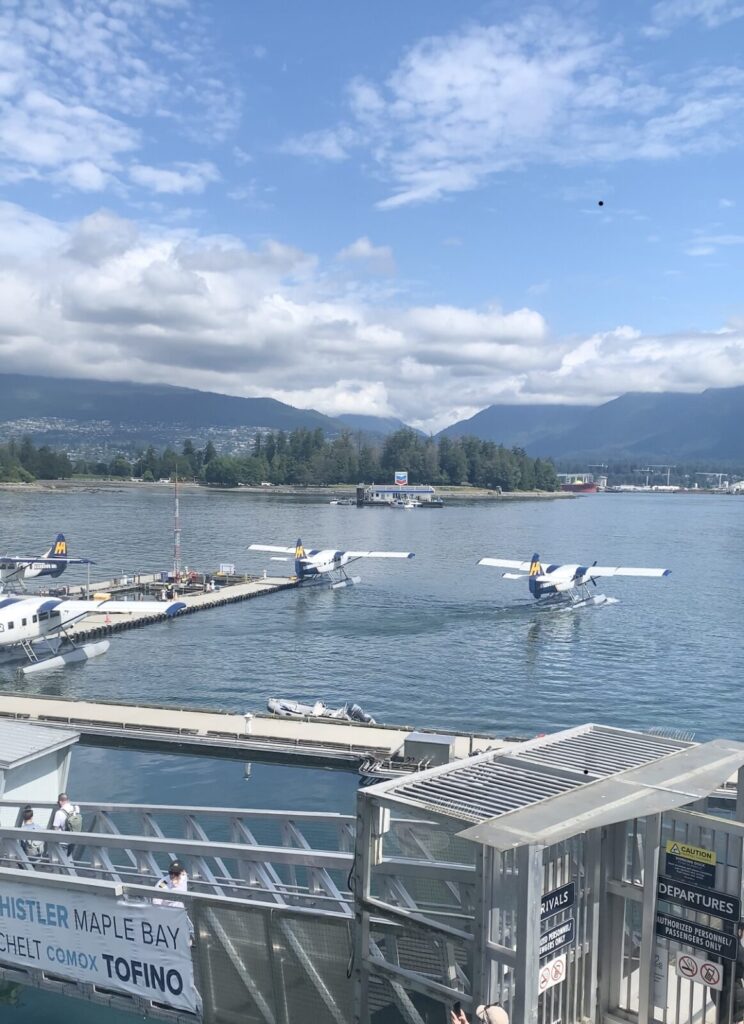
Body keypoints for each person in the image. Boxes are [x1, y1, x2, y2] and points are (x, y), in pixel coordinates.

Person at [52, 792, 82, 857]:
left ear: (60, 802)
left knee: (62, 859)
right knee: (69, 858)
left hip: (63, 841)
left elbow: (55, 829)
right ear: (68, 800)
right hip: (74, 838)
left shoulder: (59, 813)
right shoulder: (76, 808)